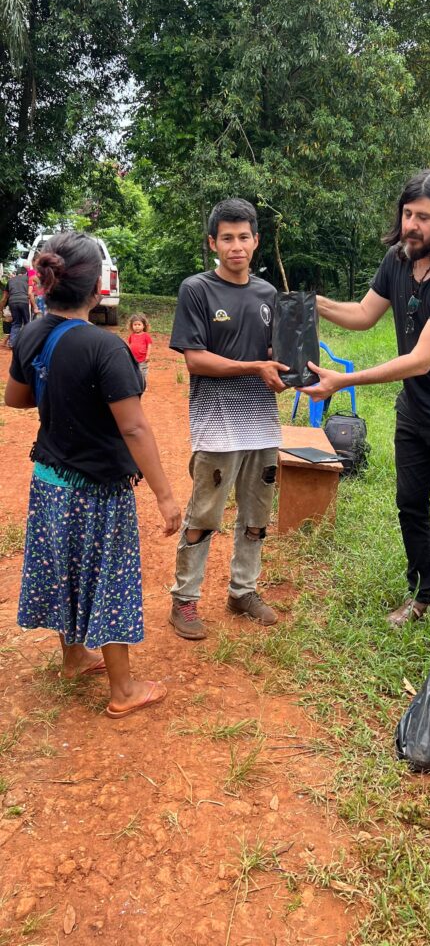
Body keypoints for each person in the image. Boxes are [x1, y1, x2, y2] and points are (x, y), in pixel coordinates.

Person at [303, 168, 430, 627]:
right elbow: (362, 314)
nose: (411, 224)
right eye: (407, 213)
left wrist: (342, 380)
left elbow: (420, 360)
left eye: (424, 217)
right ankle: (422, 596)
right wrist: (315, 302)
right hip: (414, 411)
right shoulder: (398, 258)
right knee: (409, 503)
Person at [4, 232, 181, 718]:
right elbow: (134, 427)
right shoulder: (105, 347)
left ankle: (73, 657)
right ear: (98, 288)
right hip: (97, 490)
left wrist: (60, 394)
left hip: (49, 482)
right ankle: (124, 690)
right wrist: (166, 497)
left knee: (64, 569)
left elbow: (15, 399)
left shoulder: (31, 334)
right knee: (109, 579)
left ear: (46, 283)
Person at [168, 197, 289, 640]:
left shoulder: (268, 295)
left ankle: (243, 591)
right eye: (227, 238)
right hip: (217, 424)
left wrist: (291, 367)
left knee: (257, 515)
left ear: (256, 241)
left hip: (262, 423)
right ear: (213, 242)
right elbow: (196, 361)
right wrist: (255, 368)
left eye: (243, 237)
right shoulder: (196, 290)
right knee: (204, 515)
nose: (236, 246)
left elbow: (273, 353)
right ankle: (184, 600)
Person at [0, 266, 36, 346]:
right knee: (27, 323)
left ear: (16, 273)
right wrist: (35, 306)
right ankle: (27, 344)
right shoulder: (28, 279)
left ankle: (12, 343)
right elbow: (31, 293)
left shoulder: (10, 280)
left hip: (12, 302)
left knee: (16, 323)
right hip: (24, 301)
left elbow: (4, 298)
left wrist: (1, 308)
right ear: (25, 273)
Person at [127, 313, 153, 388]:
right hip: (133, 359)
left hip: (143, 358)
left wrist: (148, 356)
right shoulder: (131, 336)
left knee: (142, 372)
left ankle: (143, 385)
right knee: (134, 371)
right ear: (132, 326)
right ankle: (136, 384)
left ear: (143, 325)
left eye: (139, 324)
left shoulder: (146, 335)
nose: (137, 327)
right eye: (135, 325)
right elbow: (130, 345)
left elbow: (149, 345)